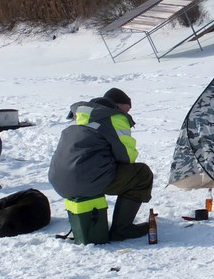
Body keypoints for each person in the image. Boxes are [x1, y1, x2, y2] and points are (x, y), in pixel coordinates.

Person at [48, 88, 153, 241]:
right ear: (117, 105)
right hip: (84, 180)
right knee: (141, 174)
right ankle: (122, 229)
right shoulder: (114, 117)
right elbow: (127, 157)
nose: (128, 114)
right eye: (127, 109)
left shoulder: (79, 116)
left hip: (59, 180)